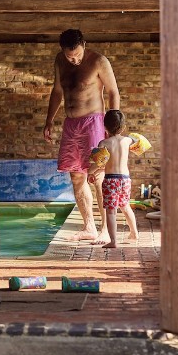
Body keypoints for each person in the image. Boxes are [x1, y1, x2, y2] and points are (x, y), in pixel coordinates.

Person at [43, 29, 119, 242]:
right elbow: (57, 91)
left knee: (98, 175)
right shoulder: (60, 61)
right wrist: (49, 120)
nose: (74, 59)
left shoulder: (99, 61)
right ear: (62, 51)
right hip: (71, 124)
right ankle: (89, 227)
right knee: (76, 176)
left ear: (84, 44)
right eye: (70, 56)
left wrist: (112, 128)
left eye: (77, 54)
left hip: (94, 122)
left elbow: (113, 92)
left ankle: (106, 228)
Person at [87, 109, 139, 248]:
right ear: (123, 127)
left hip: (110, 180)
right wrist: (133, 137)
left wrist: (90, 173)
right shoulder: (127, 140)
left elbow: (98, 164)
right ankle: (134, 233)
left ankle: (113, 241)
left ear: (105, 127)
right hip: (125, 179)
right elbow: (138, 139)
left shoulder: (103, 143)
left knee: (111, 211)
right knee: (125, 206)